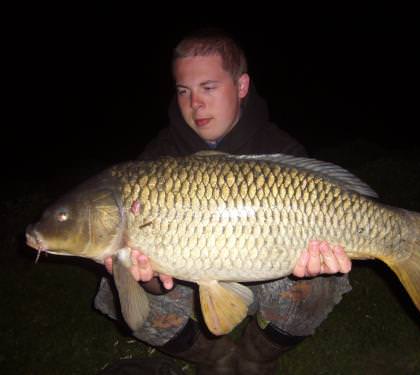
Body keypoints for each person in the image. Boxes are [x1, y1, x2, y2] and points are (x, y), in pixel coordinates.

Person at [95, 28, 352, 375]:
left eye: (208, 88)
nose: (194, 103)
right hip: (193, 287)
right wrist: (144, 277)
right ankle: (216, 358)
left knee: (319, 282)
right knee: (116, 288)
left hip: (270, 281)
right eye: (184, 91)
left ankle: (253, 358)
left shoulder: (280, 149)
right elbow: (155, 284)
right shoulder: (158, 159)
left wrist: (313, 263)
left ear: (242, 86)